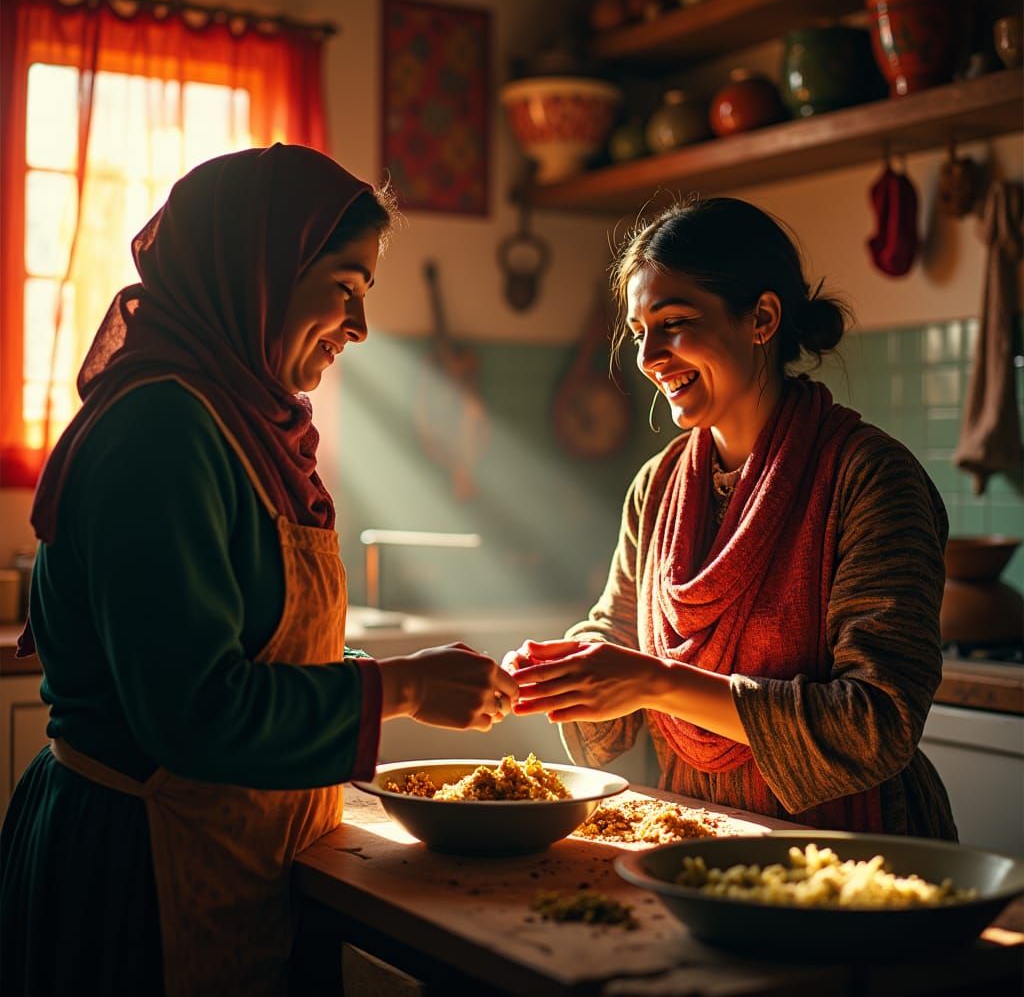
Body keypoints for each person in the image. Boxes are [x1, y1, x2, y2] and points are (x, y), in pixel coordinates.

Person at [0, 144, 518, 997]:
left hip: (223, 853)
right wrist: (403, 690)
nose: (360, 326)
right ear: (262, 272)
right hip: (137, 870)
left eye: (367, 295)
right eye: (344, 287)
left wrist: (396, 679)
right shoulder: (163, 432)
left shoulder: (240, 421)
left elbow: (248, 657)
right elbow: (194, 709)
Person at [505, 197, 956, 840]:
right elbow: (618, 634)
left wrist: (653, 682)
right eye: (640, 332)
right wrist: (566, 670)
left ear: (762, 319)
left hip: (856, 854)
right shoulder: (656, 487)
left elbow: (876, 723)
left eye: (674, 322)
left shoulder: (872, 480)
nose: (648, 357)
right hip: (695, 840)